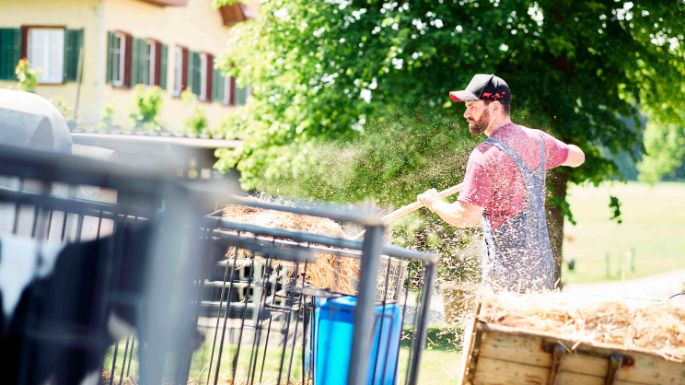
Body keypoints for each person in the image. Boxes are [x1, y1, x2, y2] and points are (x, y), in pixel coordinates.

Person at [417, 74, 585, 293]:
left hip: (505, 284)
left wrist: (435, 203)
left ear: (495, 106)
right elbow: (578, 156)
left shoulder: (484, 155)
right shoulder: (538, 140)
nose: (466, 114)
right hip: (541, 277)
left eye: (472, 106)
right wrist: (539, 158)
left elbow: (465, 217)